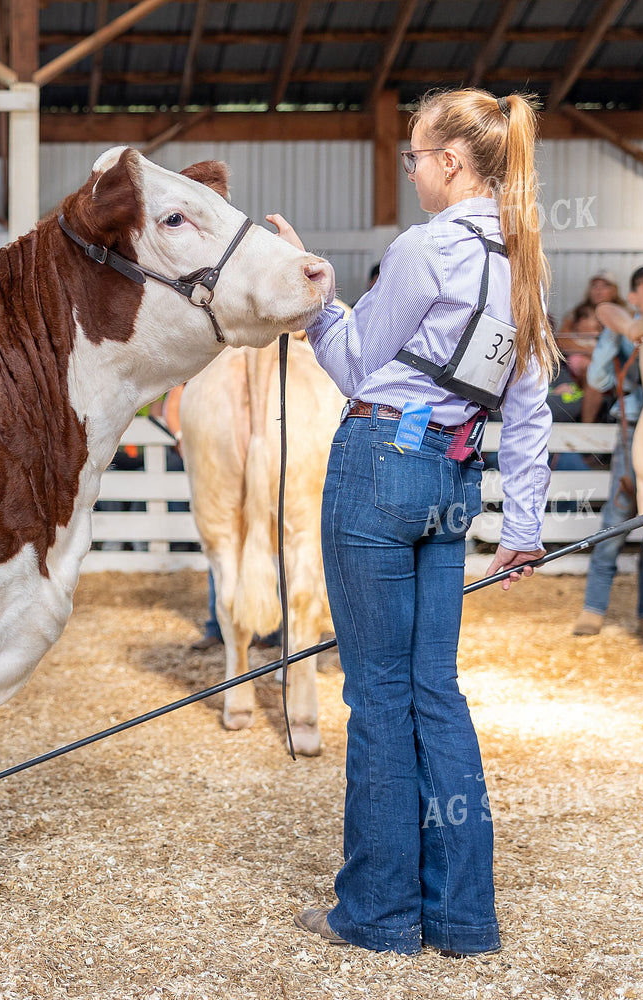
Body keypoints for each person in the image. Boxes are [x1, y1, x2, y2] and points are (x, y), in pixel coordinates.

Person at [269, 88, 556, 958]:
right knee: (437, 692)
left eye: (415, 160)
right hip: (454, 479)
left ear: (451, 164)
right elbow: (532, 409)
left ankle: (381, 915)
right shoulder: (525, 260)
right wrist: (524, 526)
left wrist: (314, 293)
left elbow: (357, 362)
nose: (413, 173)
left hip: (380, 469)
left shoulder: (425, 247)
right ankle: (464, 917)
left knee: (379, 699)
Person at [572, 265, 643, 639]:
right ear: (636, 296)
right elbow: (599, 380)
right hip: (634, 429)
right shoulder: (627, 330)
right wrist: (616, 338)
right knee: (618, 519)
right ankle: (593, 609)